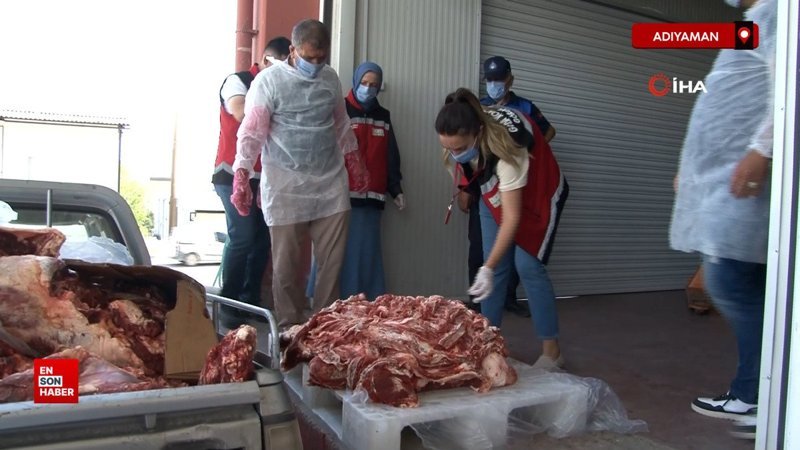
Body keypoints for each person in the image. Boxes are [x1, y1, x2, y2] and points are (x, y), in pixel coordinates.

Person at [670, 0, 775, 440]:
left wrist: (761, 151)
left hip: (739, 181)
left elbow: (789, 83)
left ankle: (759, 394)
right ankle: (755, 390)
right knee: (748, 287)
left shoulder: (776, 12)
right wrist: (690, 167)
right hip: (722, 179)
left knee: (730, 283)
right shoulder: (753, 21)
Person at [231, 19, 369, 328]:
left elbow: (340, 122)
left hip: (329, 182)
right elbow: (251, 132)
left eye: (321, 58)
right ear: (293, 50)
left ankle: (325, 327)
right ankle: (289, 327)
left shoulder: (330, 79)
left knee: (332, 264)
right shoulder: (269, 82)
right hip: (285, 185)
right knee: (285, 267)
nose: (316, 64)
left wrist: (354, 158)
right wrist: (242, 173)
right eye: (309, 57)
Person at [435, 88, 568, 369]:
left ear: (479, 133)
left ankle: (552, 351)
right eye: (448, 147)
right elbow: (468, 172)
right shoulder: (460, 136)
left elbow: (512, 218)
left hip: (539, 189)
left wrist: (487, 268)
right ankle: (487, 343)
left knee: (527, 265)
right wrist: (491, 266)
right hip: (494, 185)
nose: (454, 154)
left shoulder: (508, 150)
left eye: (459, 148)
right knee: (494, 264)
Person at [306, 61, 405, 301]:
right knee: (335, 249)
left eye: (374, 85)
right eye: (364, 82)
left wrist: (396, 189)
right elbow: (324, 149)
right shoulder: (340, 110)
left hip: (372, 199)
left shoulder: (383, 116)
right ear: (356, 81)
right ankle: (327, 300)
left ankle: (364, 302)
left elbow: (390, 155)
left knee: (367, 252)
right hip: (341, 196)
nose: (368, 88)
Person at [212, 36, 290, 325]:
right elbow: (240, 112)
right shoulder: (238, 81)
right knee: (243, 236)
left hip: (263, 177)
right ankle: (228, 302)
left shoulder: (277, 87)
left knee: (261, 241)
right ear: (267, 61)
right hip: (232, 175)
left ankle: (249, 303)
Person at [476, 56, 558, 318]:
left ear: (510, 80)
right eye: (490, 79)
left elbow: (549, 131)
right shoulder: (479, 107)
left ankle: (511, 301)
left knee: (525, 260)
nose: (494, 84)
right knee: (490, 255)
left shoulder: (525, 106)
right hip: (491, 185)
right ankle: (486, 320)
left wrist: (532, 150)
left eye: (499, 79)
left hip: (522, 187)